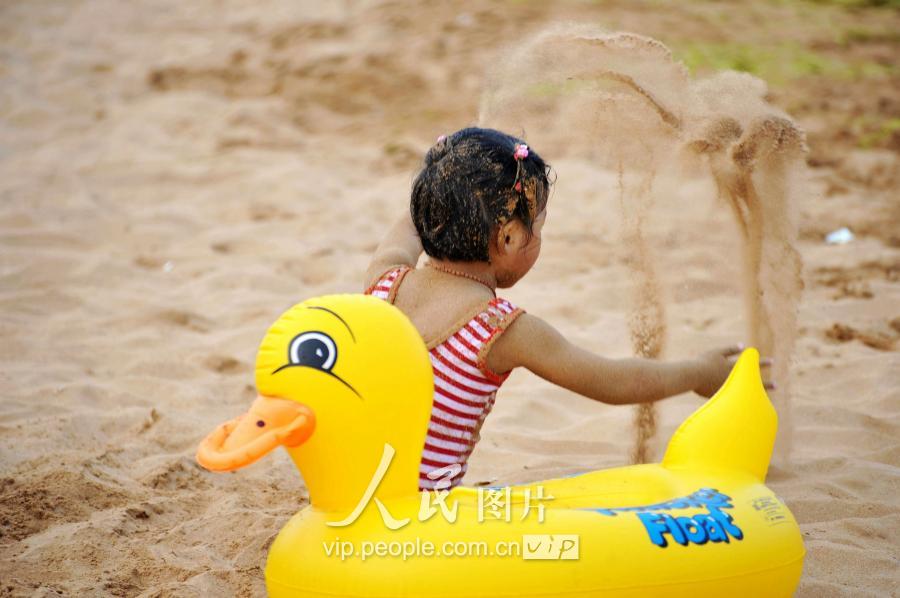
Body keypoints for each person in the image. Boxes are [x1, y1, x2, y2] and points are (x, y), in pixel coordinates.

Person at [363, 127, 770, 491]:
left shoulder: (384, 281)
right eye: (538, 226)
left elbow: (409, 225)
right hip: (418, 521)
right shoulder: (498, 330)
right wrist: (699, 373)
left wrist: (448, 183)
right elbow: (610, 381)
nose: (540, 234)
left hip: (353, 496)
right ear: (507, 239)